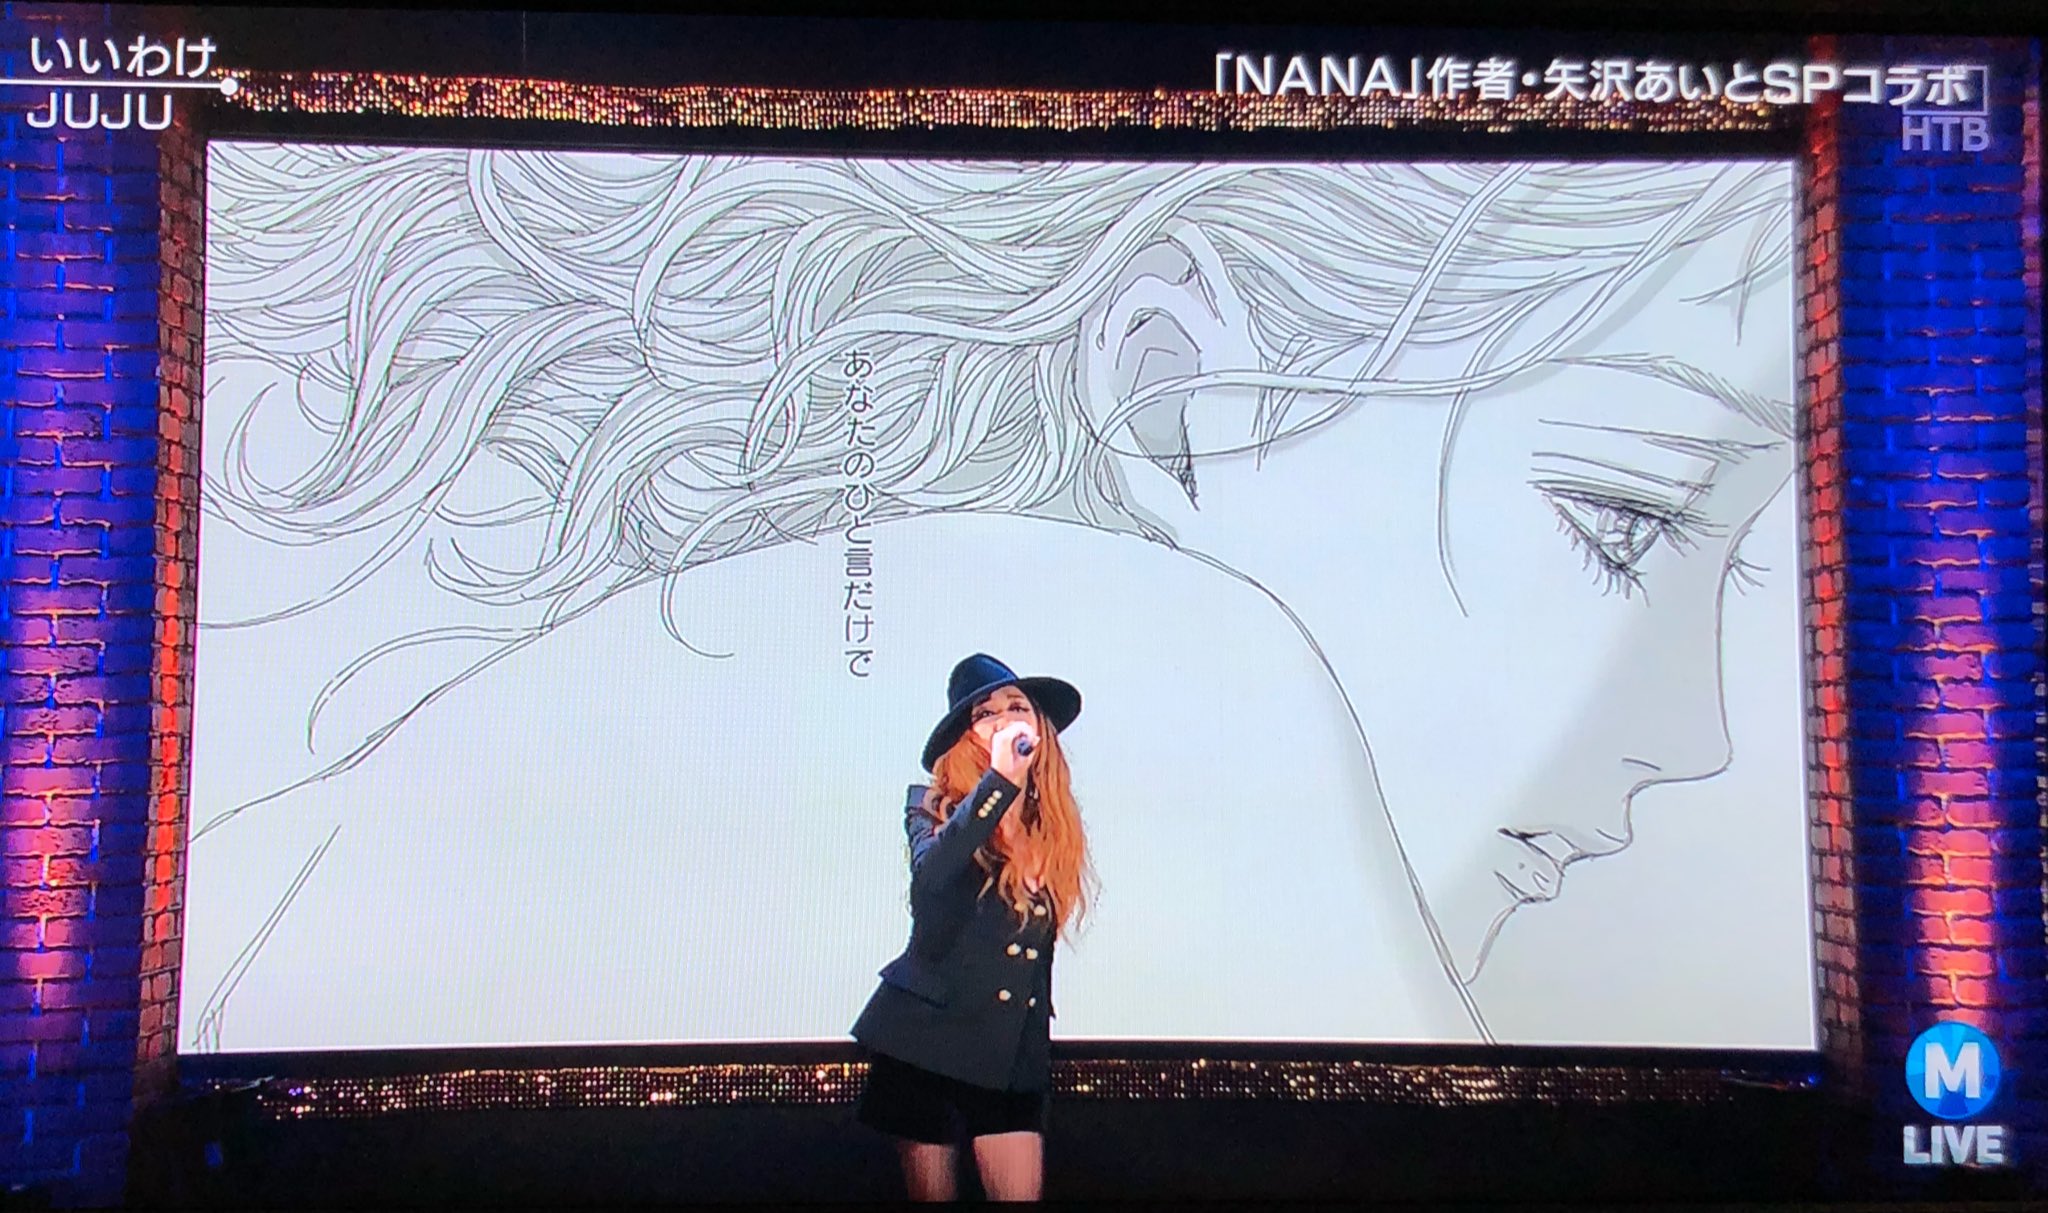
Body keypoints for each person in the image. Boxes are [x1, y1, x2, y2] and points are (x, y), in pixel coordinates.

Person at [188, 149, 1804, 1050]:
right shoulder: (1208, 658)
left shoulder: (667, 686)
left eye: (1731, 564)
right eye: (1621, 522)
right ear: (1172, 379)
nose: (1699, 733)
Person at [850, 653, 1091, 1202]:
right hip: (926, 1043)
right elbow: (932, 880)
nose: (1005, 719)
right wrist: (999, 781)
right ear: (966, 738)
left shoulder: (1052, 827)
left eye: (1017, 707)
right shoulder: (931, 807)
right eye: (986, 714)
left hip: (1009, 1053)